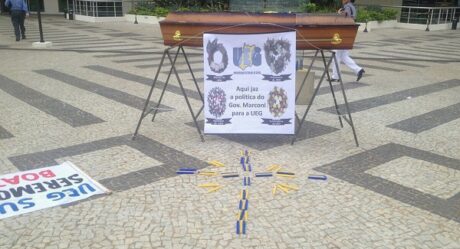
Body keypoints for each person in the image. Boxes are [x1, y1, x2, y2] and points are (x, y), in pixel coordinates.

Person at [331, 0, 365, 82]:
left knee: (335, 55)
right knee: (343, 56)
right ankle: (358, 70)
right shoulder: (351, 6)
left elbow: (345, 19)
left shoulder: (347, 7)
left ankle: (336, 76)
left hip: (343, 34)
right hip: (348, 34)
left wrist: (339, 14)